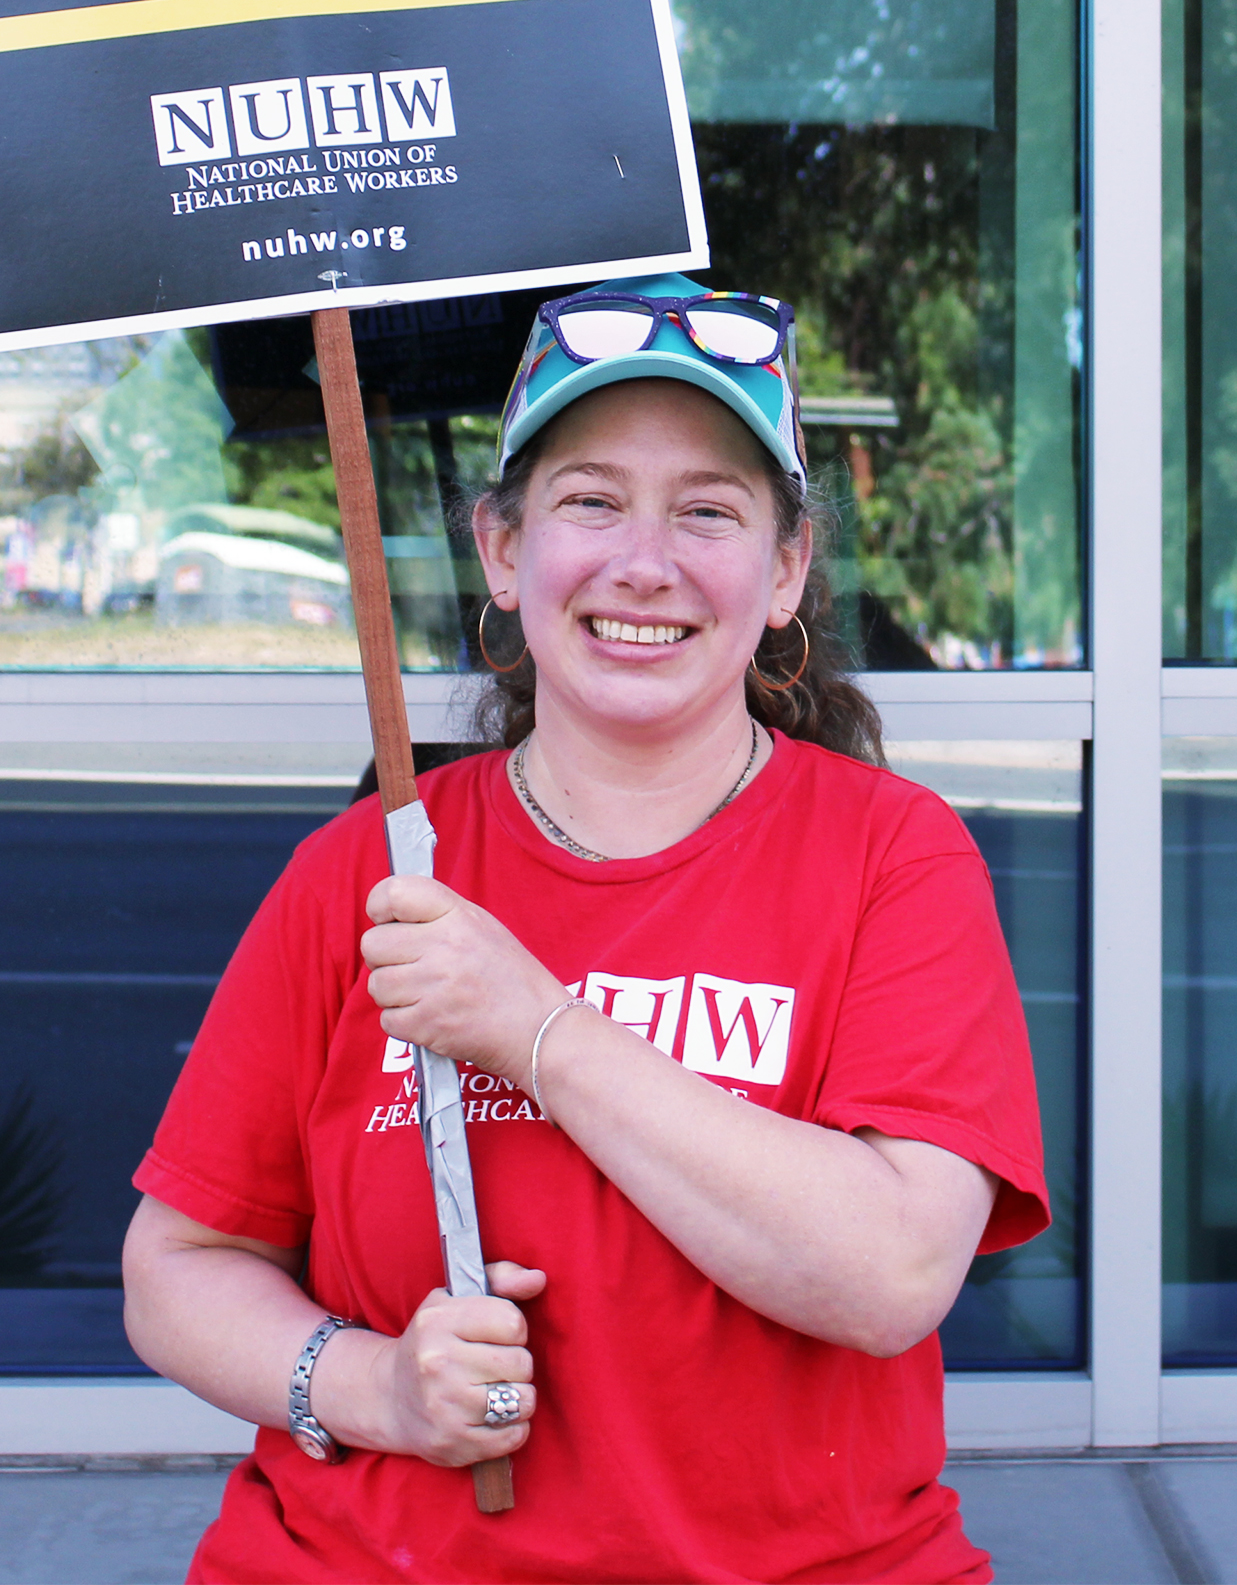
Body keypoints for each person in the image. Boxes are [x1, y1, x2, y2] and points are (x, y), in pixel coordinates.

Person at [124, 275, 1047, 1583]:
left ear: (785, 572)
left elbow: (892, 1272)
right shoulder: (366, 877)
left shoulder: (893, 857)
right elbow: (175, 1266)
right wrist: (379, 1388)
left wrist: (538, 1030)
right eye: (591, 499)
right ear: (503, 549)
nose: (644, 562)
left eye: (708, 512)